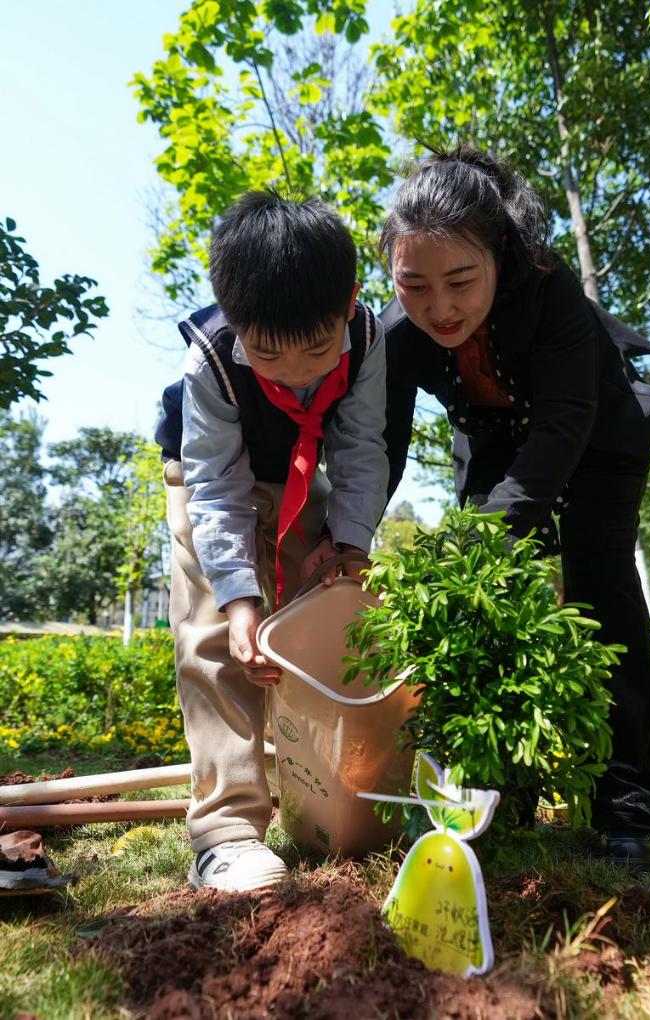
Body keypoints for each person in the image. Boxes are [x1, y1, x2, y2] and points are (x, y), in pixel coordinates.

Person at [380, 148, 650, 870]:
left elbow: (564, 424)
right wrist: (349, 538)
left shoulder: (553, 294)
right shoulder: (391, 334)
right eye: (413, 285)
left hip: (597, 430)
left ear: (500, 254)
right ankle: (496, 790)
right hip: (492, 440)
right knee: (485, 602)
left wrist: (482, 537)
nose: (438, 308)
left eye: (459, 281)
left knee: (600, 588)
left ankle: (626, 801)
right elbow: (377, 447)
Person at [155, 191, 389, 892]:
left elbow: (359, 449)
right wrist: (237, 599)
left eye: (315, 350)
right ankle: (224, 833)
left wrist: (349, 546)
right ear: (232, 317)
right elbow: (216, 488)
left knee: (313, 624)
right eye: (266, 353)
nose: (292, 371)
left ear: (347, 304)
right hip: (209, 483)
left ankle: (321, 800)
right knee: (215, 636)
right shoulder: (213, 362)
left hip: (298, 475)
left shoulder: (370, 339)